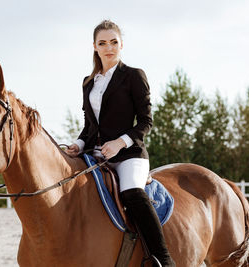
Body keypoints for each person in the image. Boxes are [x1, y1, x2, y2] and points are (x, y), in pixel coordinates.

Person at [66, 20, 175, 267]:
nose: (109, 48)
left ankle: (163, 259)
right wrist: (78, 145)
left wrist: (119, 143)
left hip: (129, 154)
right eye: (103, 43)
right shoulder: (88, 82)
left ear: (121, 44)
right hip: (95, 154)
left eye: (114, 42)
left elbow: (146, 121)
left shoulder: (134, 76)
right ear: (94, 47)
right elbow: (89, 127)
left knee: (132, 193)